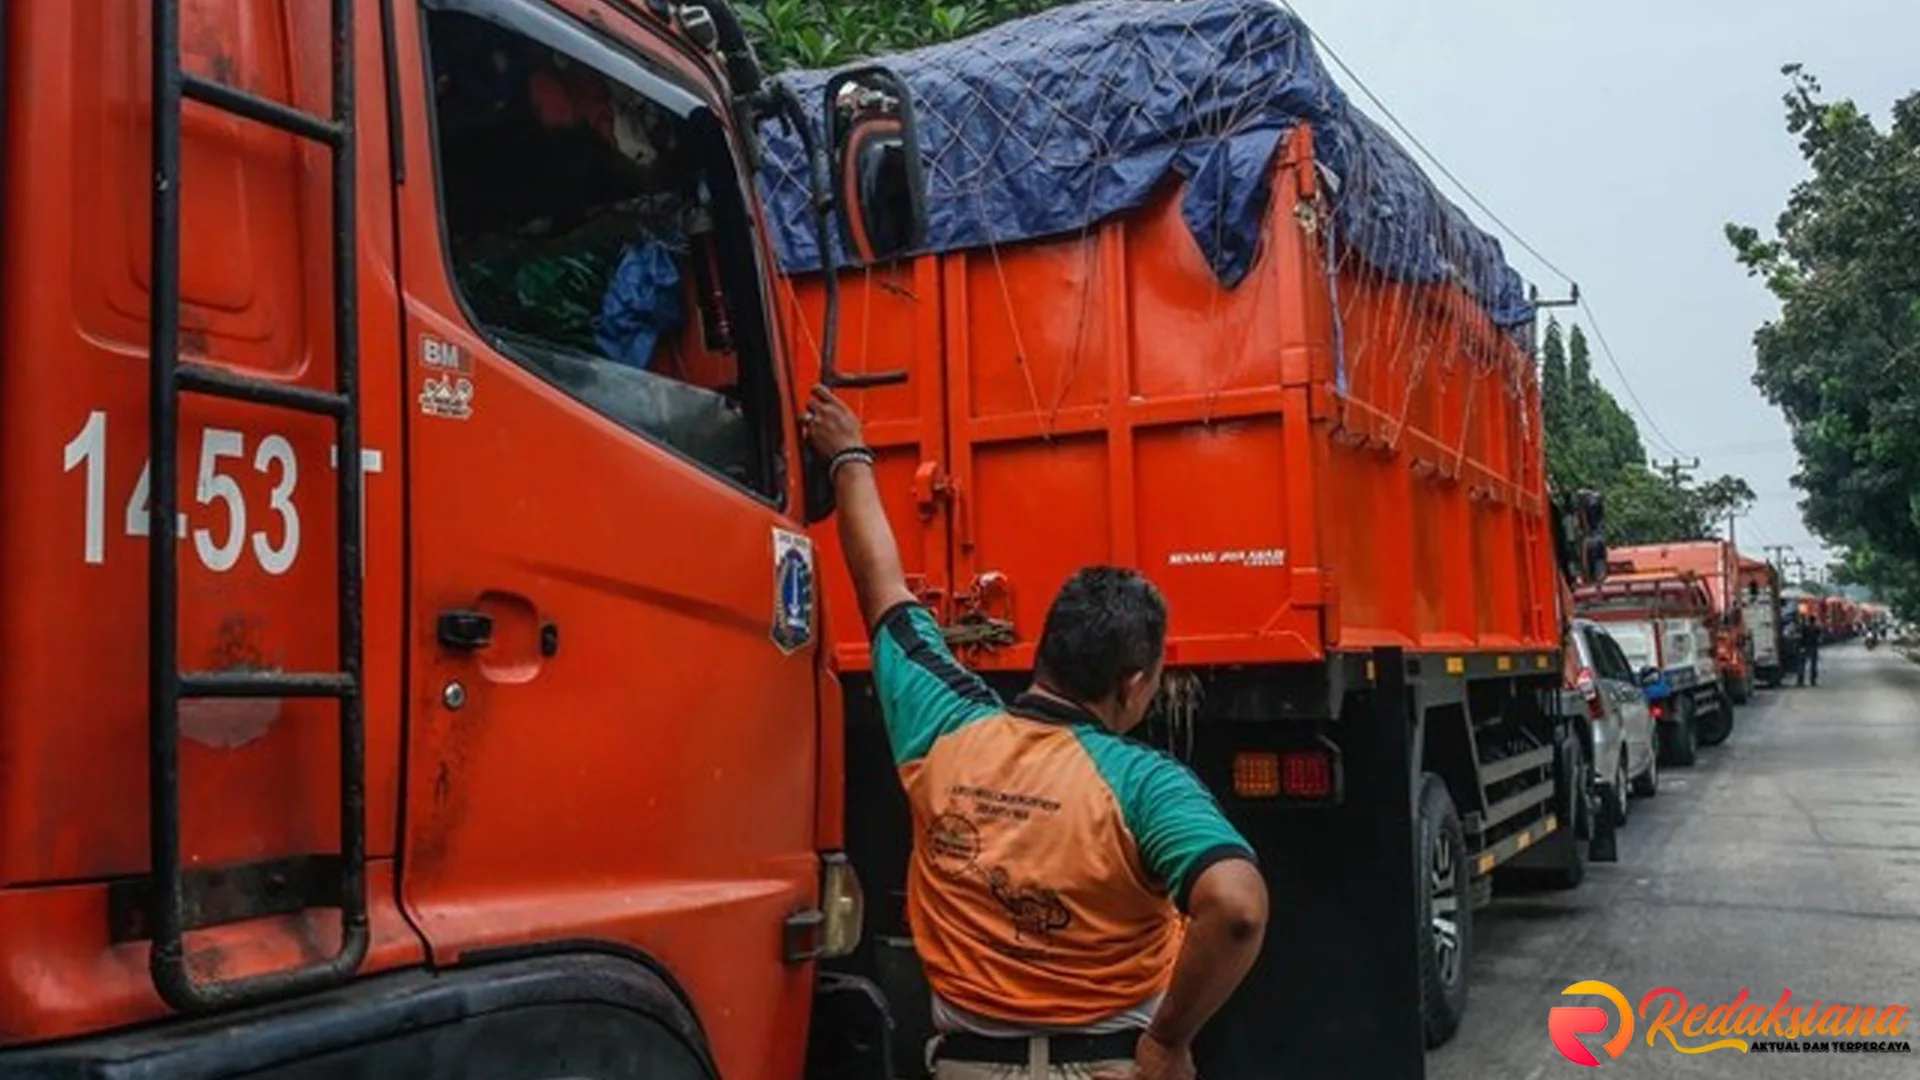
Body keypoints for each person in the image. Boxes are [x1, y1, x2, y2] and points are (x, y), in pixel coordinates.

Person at [803, 385, 1269, 1080]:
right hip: (1113, 1065)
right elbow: (1235, 908)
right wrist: (1169, 1039)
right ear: (1134, 683)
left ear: (1045, 651)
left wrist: (850, 457)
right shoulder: (1145, 785)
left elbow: (883, 590)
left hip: (966, 1067)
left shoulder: (943, 729)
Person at [1796, 615, 1822, 687]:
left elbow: (1801, 637)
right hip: (1813, 647)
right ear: (1814, 621)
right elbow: (1819, 638)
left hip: (1804, 647)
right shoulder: (1816, 628)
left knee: (1802, 664)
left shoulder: (1804, 628)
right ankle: (1812, 681)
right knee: (1813, 665)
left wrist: (1801, 646)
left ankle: (1800, 681)